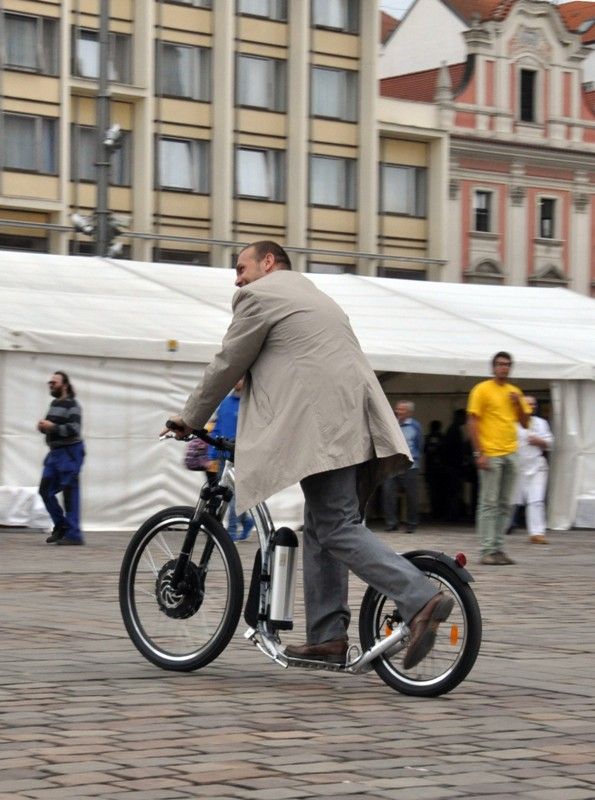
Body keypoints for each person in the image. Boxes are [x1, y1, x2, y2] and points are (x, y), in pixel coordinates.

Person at [165, 240, 453, 669]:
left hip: (323, 426)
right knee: (320, 526)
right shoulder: (317, 297)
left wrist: (191, 418)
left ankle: (420, 596)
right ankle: (327, 637)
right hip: (357, 420)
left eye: (241, 267)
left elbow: (228, 362)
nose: (237, 279)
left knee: (335, 526)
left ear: (268, 262)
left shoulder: (259, 296)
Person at [467, 352, 531, 566]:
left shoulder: (515, 392)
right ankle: (487, 549)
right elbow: (473, 421)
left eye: (507, 365)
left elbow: (525, 423)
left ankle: (498, 547)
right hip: (490, 452)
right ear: (493, 367)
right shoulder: (482, 389)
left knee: (505, 503)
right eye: (500, 364)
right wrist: (479, 452)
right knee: (489, 502)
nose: (503, 368)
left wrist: (519, 405)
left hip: (510, 451)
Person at [38, 371, 85, 545]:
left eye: (54, 382)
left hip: (70, 453)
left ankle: (74, 535)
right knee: (45, 490)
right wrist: (43, 427)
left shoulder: (73, 405)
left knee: (70, 493)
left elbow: (74, 428)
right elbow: (53, 426)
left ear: (64, 385)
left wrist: (52, 426)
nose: (50, 385)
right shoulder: (54, 403)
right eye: (50, 382)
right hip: (55, 453)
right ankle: (61, 526)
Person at [210, 378, 254, 541]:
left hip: (239, 455)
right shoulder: (225, 403)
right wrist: (211, 453)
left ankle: (232, 530)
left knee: (233, 494)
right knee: (224, 493)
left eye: (241, 378)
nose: (237, 381)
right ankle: (246, 521)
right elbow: (217, 428)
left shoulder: (248, 404)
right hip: (223, 455)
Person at [512, 396, 554, 545]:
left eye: (534, 404)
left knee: (536, 499)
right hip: (517, 467)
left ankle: (537, 532)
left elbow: (550, 442)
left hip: (537, 466)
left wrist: (539, 441)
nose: (532, 407)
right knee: (511, 500)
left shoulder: (541, 423)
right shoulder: (513, 422)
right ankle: (503, 527)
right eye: (528, 404)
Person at [382, 401, 423, 533]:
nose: (398, 412)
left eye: (402, 410)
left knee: (412, 495)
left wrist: (414, 458)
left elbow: (420, 445)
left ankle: (412, 524)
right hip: (392, 466)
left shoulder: (415, 426)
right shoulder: (392, 424)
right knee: (388, 493)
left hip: (410, 465)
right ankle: (391, 523)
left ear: (409, 412)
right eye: (397, 409)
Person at [423, 419, 446, 521]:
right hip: (439, 469)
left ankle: (435, 512)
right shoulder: (442, 438)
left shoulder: (428, 438)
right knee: (439, 492)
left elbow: (424, 450)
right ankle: (439, 512)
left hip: (431, 469)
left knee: (432, 492)